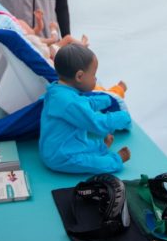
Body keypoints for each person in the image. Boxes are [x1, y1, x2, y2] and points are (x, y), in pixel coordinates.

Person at [39, 44, 131, 174]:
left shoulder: (58, 91)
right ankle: (115, 160)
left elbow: (83, 102)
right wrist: (121, 118)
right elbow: (95, 123)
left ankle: (100, 147)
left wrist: (105, 100)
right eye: (93, 74)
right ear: (79, 76)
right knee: (91, 163)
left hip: (62, 144)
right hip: (60, 156)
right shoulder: (69, 103)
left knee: (86, 143)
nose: (95, 79)